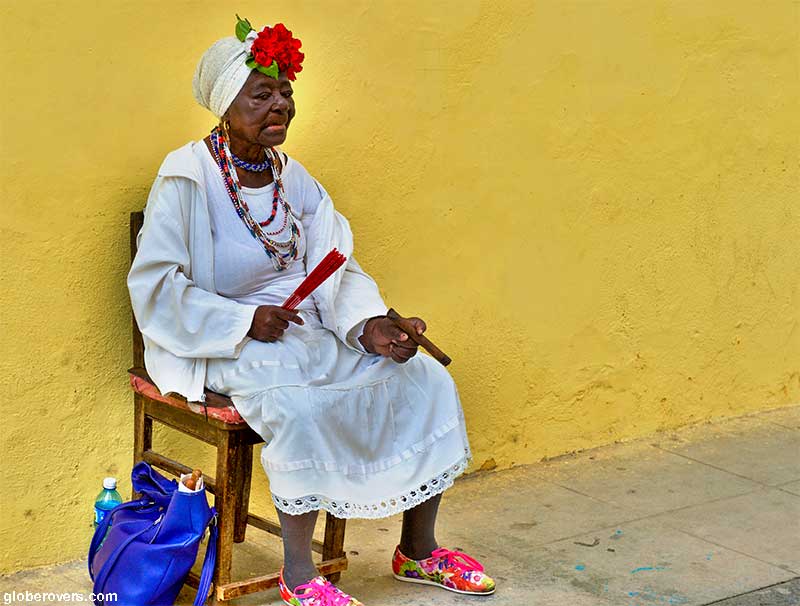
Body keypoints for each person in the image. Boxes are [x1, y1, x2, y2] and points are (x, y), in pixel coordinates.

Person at [127, 16, 495, 606]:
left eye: (286, 93)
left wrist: (370, 327)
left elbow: (334, 266)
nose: (281, 106)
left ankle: (419, 551)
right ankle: (301, 578)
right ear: (227, 103)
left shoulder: (290, 178)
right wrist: (243, 321)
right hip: (221, 341)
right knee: (295, 406)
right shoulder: (185, 179)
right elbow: (156, 287)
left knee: (422, 377)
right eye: (262, 94)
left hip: (303, 330)